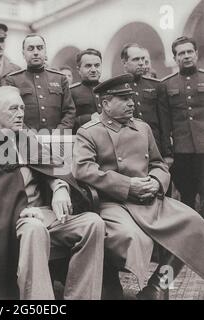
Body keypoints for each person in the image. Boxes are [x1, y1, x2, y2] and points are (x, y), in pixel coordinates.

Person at [0, 86, 105, 300]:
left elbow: (53, 165)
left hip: (48, 213)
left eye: (21, 108)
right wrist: (23, 210)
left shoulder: (27, 139)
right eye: (12, 109)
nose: (20, 114)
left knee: (93, 223)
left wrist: (59, 187)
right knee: (34, 229)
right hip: (16, 219)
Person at [72, 73, 204, 300]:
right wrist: (126, 185)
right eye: (123, 99)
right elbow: (83, 169)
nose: (131, 103)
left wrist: (155, 182)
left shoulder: (142, 128)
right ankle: (110, 285)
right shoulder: (90, 131)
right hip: (114, 202)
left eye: (131, 97)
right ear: (106, 104)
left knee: (193, 224)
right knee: (132, 239)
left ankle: (158, 286)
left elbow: (158, 164)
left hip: (149, 198)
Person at [160, 36, 204, 216]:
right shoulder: (166, 84)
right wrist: (168, 152)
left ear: (196, 54)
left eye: (189, 52)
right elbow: (164, 122)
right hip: (181, 152)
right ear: (175, 58)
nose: (186, 56)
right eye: (181, 53)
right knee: (186, 198)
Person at [3, 34, 75, 132]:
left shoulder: (60, 78)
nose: (36, 52)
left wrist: (59, 133)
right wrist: (28, 135)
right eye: (31, 49)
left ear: (45, 52)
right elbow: (10, 112)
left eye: (40, 48)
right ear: (23, 53)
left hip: (56, 141)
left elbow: (69, 111)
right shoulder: (13, 80)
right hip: (25, 142)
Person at [121, 43, 171, 158]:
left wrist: (167, 153)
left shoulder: (156, 86)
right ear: (124, 63)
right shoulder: (117, 88)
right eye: (136, 59)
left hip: (155, 145)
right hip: (129, 148)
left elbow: (164, 122)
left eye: (143, 59)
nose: (141, 63)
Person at [70, 49, 102, 133]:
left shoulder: (109, 89)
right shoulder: (71, 92)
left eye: (97, 65)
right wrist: (89, 118)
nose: (93, 70)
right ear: (78, 70)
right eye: (88, 66)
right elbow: (67, 121)